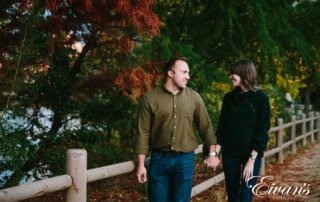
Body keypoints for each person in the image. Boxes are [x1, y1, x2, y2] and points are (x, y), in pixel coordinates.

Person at [135, 57, 220, 202]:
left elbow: (206, 128)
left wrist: (212, 154)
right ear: (170, 73)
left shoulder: (194, 98)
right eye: (184, 72)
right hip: (158, 160)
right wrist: (141, 165)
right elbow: (142, 133)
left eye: (188, 73)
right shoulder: (150, 99)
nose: (188, 76)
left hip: (185, 160)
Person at [215, 59, 271, 202]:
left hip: (251, 157)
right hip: (230, 156)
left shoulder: (261, 99)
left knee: (246, 198)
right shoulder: (228, 99)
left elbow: (262, 132)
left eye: (233, 73)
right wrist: (214, 154)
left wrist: (251, 160)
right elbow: (222, 129)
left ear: (244, 74)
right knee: (233, 197)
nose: (230, 76)